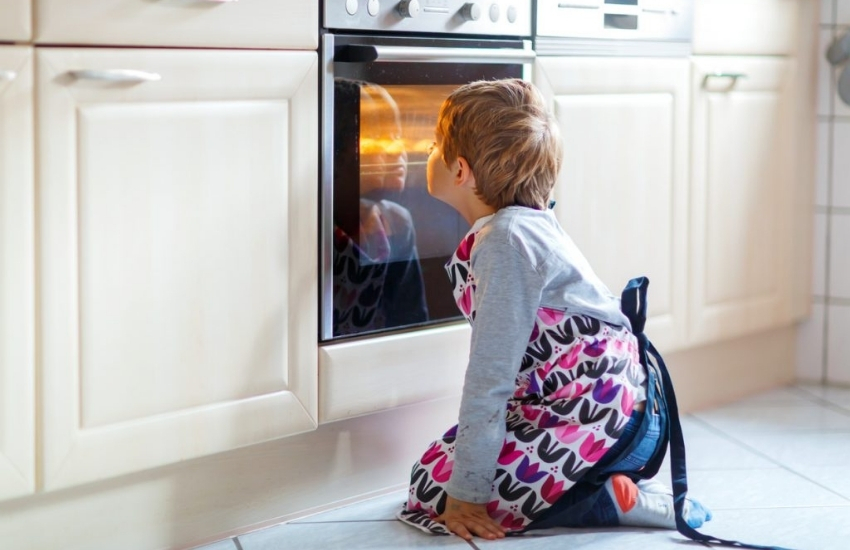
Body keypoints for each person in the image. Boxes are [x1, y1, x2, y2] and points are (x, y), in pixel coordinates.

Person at [397, 79, 711, 541]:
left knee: (432, 488)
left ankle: (602, 502)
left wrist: (466, 496)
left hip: (599, 421)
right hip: (617, 415)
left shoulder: (505, 243)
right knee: (440, 464)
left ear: (460, 170)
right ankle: (599, 482)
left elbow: (490, 380)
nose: (427, 152)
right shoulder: (529, 225)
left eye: (433, 145)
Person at [331, 79, 428, 337]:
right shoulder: (313, 228)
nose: (400, 149)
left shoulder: (396, 223)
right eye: (378, 139)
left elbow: (411, 320)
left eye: (398, 137)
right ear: (334, 155)